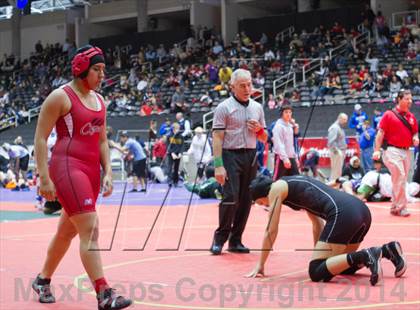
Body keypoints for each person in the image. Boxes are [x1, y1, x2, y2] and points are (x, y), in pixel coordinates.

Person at [32, 45, 132, 309]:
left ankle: (42, 280)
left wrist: (108, 171)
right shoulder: (60, 97)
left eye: (103, 70)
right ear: (81, 69)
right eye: (97, 69)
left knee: (67, 232)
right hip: (67, 166)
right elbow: (40, 138)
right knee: (91, 229)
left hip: (90, 171)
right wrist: (44, 178)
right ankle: (104, 293)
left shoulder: (100, 101)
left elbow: (101, 141)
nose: (102, 75)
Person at [246, 175, 407, 286]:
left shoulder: (276, 188)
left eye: (260, 203)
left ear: (262, 194)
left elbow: (270, 230)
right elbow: (316, 223)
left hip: (344, 213)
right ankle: (387, 250)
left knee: (316, 272)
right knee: (341, 266)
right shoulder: (294, 183)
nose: (264, 205)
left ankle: (368, 254)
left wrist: (260, 264)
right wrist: (322, 255)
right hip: (360, 210)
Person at [210, 68, 267, 255]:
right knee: (230, 197)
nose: (247, 88)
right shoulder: (223, 108)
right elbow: (217, 137)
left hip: (250, 156)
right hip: (229, 155)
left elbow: (264, 138)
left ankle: (236, 240)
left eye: (249, 84)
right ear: (232, 86)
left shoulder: (257, 108)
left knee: (245, 200)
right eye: (242, 85)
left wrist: (259, 130)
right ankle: (220, 238)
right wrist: (218, 165)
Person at [373, 89, 419, 217]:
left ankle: (395, 205)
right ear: (399, 99)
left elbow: (415, 131)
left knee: (399, 179)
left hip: (407, 151)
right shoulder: (388, 114)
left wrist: (415, 137)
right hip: (392, 150)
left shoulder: (411, 117)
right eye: (407, 99)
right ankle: (401, 207)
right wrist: (376, 150)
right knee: (400, 176)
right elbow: (380, 133)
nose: (410, 101)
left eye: (411, 99)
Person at [271, 105, 299, 180]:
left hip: (291, 157)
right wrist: (285, 158)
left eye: (290, 112)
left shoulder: (290, 127)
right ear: (282, 114)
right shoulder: (278, 127)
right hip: (281, 158)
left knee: (296, 179)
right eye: (286, 112)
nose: (288, 114)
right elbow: (278, 144)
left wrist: (295, 157)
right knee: (278, 181)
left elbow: (291, 144)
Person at [327, 113, 348, 182]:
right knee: (336, 172)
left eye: (346, 120)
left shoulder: (339, 127)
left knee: (338, 172)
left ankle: (335, 186)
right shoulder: (335, 127)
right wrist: (337, 152)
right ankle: (333, 186)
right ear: (339, 119)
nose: (345, 121)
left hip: (340, 151)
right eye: (344, 119)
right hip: (337, 151)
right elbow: (331, 141)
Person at [167, 122, 184, 187]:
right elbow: (168, 146)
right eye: (177, 128)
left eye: (178, 128)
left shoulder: (181, 137)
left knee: (176, 168)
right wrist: (172, 153)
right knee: (170, 167)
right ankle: (169, 181)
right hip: (171, 154)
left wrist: (180, 153)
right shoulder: (169, 136)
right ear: (173, 129)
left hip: (178, 154)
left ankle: (175, 181)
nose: (178, 130)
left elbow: (182, 146)